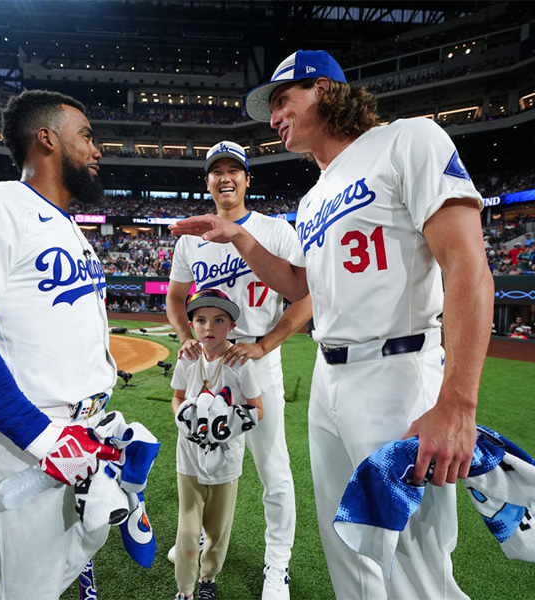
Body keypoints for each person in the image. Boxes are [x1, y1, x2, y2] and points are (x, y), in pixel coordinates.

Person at [170, 49, 494, 599]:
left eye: (282, 100)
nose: (273, 118)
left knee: (412, 561)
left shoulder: (408, 139)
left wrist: (458, 402)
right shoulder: (316, 193)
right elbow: (303, 287)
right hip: (331, 375)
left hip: (398, 369)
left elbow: (467, 265)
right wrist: (242, 240)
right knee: (347, 544)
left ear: (322, 88)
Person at [0, 89, 122, 600]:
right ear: (47, 138)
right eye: (87, 136)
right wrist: (42, 436)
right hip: (23, 437)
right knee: (25, 590)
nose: (98, 150)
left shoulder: (69, 228)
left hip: (78, 431)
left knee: (55, 570)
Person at [166, 141, 311, 600]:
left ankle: (277, 567)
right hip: (206, 371)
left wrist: (265, 344)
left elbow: (306, 297)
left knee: (274, 471)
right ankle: (195, 543)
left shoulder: (274, 229)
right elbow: (175, 298)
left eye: (234, 170)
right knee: (200, 465)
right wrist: (183, 334)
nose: (225, 178)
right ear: (207, 182)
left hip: (257, 366)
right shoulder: (192, 238)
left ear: (248, 179)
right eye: (216, 172)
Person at [171, 289, 264, 600]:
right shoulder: (188, 358)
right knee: (187, 532)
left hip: (226, 460)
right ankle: (184, 591)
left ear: (231, 326)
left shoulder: (240, 362)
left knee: (217, 531)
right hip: (189, 456)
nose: (209, 327)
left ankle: (208, 578)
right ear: (192, 324)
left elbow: (257, 408)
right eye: (201, 320)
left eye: (218, 320)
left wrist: (225, 425)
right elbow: (178, 398)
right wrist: (186, 417)